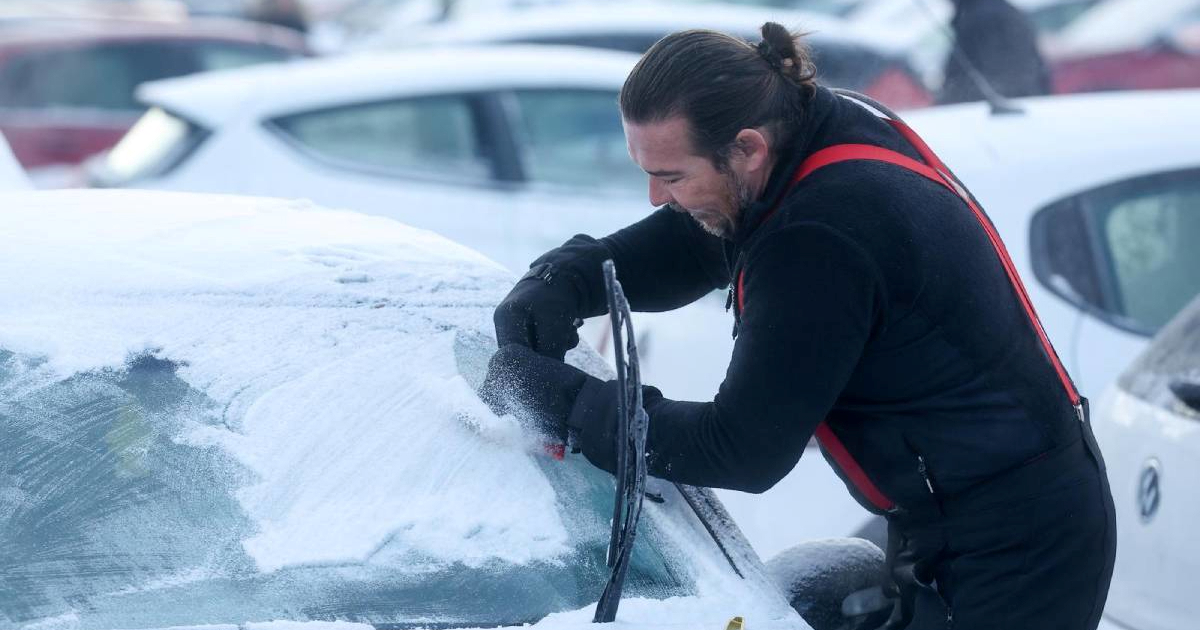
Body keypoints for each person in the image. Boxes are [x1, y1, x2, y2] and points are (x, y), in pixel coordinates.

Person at [481, 23, 1114, 630]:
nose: (655, 196)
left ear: (748, 147)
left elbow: (741, 448)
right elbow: (704, 235)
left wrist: (566, 404)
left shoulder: (822, 235)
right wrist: (569, 277)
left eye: (671, 176)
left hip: (1014, 546)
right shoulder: (809, 129)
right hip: (971, 512)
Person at [939, 0, 1052, 104]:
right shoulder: (998, 10)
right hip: (1026, 104)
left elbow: (963, 80)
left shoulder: (980, 18)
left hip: (1000, 111)